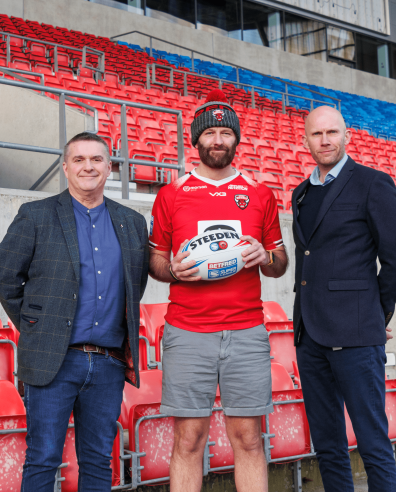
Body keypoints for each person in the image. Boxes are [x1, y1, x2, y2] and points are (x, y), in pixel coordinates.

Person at [148, 89, 289, 492]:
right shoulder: (172, 194)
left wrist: (265, 256)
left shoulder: (259, 194)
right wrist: (173, 270)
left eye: (226, 132)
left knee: (247, 439)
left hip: (246, 331)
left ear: (236, 139)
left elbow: (280, 264)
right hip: (188, 332)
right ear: (196, 140)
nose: (218, 140)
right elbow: (155, 259)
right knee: (188, 440)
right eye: (209, 133)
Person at [0, 131, 150, 492]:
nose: (88, 166)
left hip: (108, 363)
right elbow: (7, 281)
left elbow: (134, 285)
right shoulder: (35, 216)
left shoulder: (131, 223)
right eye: (78, 159)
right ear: (65, 167)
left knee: (98, 461)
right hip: (54, 360)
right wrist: (38, 327)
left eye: (96, 159)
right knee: (43, 457)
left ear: (109, 167)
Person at [291, 106, 396, 492]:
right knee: (327, 445)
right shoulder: (301, 193)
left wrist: (376, 313)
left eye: (332, 132)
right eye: (316, 134)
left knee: (373, 441)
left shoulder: (373, 183)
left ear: (347, 136)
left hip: (357, 335)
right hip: (309, 336)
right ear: (306, 140)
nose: (324, 140)